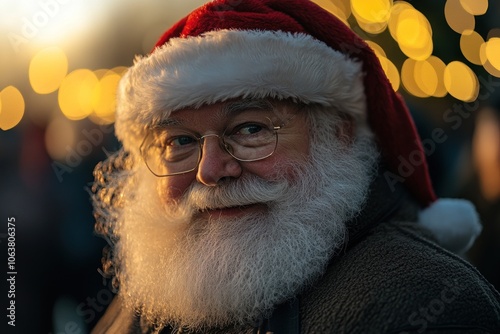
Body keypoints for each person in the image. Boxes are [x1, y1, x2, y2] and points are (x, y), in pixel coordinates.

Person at [90, 0, 500, 333]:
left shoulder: (425, 301)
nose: (209, 170)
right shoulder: (168, 288)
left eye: (249, 128)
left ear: (336, 134)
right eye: (179, 141)